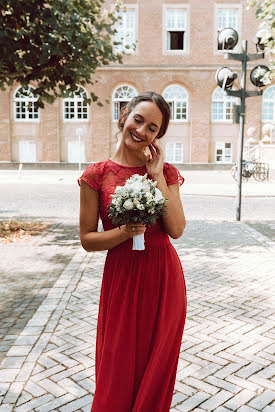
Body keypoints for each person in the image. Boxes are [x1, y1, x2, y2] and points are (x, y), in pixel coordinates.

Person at [78, 91, 187, 412]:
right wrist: (124, 233)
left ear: (158, 136)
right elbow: (87, 239)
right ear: (124, 115)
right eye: (138, 119)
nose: (141, 130)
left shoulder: (165, 173)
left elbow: (177, 229)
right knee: (118, 363)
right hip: (122, 278)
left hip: (162, 277)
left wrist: (155, 175)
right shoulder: (95, 175)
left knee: (156, 365)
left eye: (153, 128)